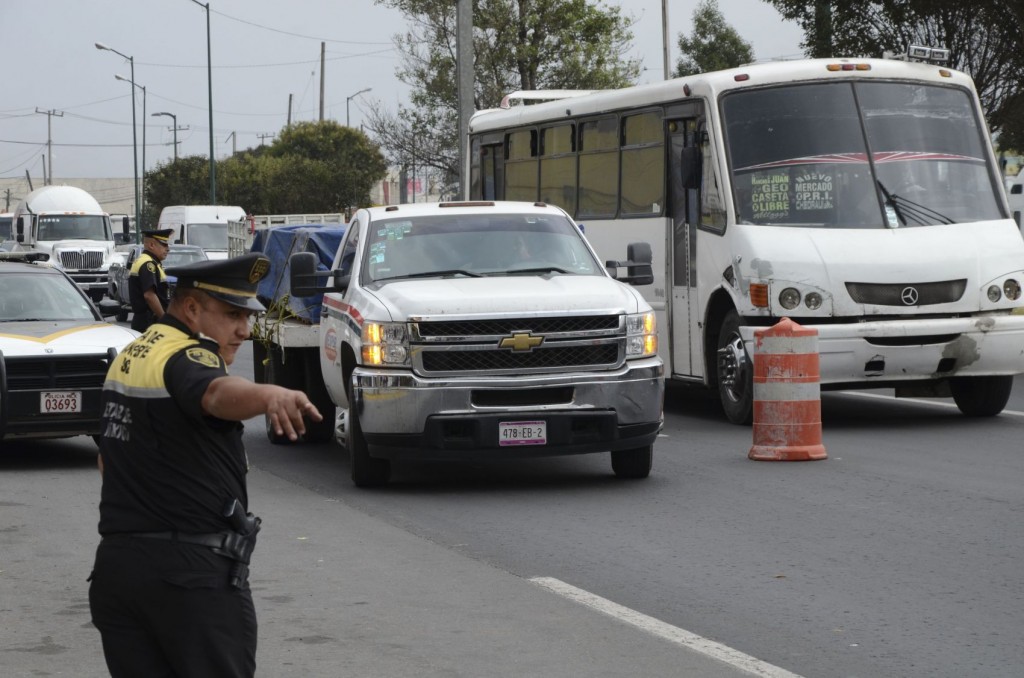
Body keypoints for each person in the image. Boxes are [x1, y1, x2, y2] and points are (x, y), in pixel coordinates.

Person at [88, 253, 323, 678]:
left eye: (247, 316)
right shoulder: (190, 355)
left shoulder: (134, 353)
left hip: (119, 572)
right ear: (192, 308)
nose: (244, 330)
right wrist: (268, 395)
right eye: (232, 314)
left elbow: (109, 460)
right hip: (190, 581)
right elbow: (215, 394)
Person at [128, 228, 173, 332]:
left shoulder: (148, 262)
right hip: (149, 322)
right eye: (164, 244)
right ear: (151, 245)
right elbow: (149, 295)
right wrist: (163, 319)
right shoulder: (148, 264)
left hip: (147, 321)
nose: (168, 249)